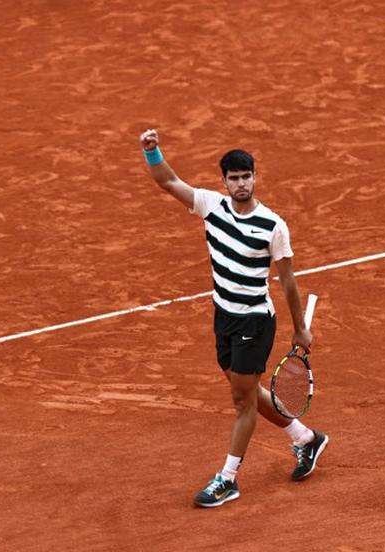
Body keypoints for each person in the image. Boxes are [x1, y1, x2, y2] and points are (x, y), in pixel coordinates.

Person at [139, 128, 329, 508]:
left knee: (242, 403)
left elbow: (288, 281)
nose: (241, 184)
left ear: (254, 178)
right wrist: (152, 151)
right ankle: (306, 438)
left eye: (247, 177)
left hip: (254, 322)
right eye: (234, 178)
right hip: (224, 317)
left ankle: (227, 479)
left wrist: (300, 329)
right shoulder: (211, 205)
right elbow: (168, 181)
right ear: (224, 181)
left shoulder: (273, 225)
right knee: (246, 392)